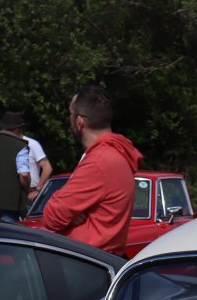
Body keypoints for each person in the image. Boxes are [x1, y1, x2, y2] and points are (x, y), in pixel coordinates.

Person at [43, 86, 143, 255]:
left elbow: (52, 216)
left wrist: (71, 215)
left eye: (70, 113)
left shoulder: (99, 162)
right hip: (99, 260)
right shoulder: (115, 154)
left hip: (85, 265)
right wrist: (73, 213)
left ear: (79, 121)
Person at [0, 111, 53, 221]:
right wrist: (27, 191)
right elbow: (24, 174)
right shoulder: (20, 146)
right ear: (18, 129)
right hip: (12, 204)